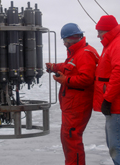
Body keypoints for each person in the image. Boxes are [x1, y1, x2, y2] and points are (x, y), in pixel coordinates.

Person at [46, 23, 99, 165]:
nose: (64, 43)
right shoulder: (77, 53)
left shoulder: (85, 53)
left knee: (72, 138)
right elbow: (68, 66)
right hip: (71, 105)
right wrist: (53, 67)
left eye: (65, 40)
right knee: (68, 138)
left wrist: (65, 80)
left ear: (71, 38)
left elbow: (87, 79)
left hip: (77, 105)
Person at [93, 15, 120, 165]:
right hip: (114, 105)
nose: (97, 35)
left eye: (99, 31)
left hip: (116, 106)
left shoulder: (116, 44)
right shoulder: (111, 44)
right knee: (114, 144)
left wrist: (108, 99)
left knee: (116, 146)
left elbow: (118, 73)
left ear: (107, 30)